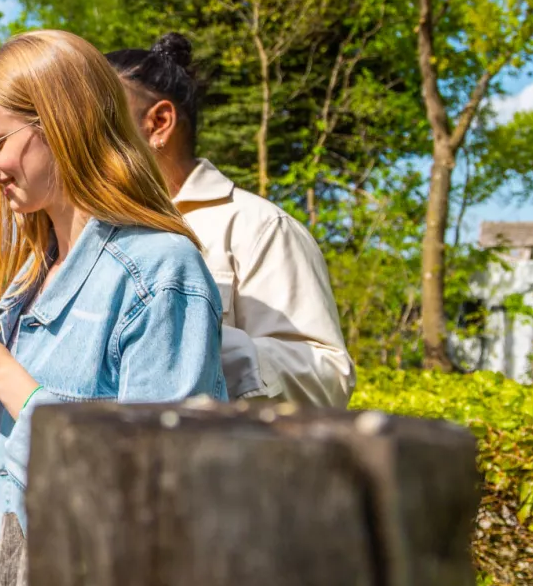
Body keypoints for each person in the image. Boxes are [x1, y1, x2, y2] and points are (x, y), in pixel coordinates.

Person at [0, 30, 227, 537]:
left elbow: (158, 479)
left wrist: (3, 373)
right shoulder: (33, 273)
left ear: (64, 124)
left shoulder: (160, 273)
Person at [106, 34, 355, 407]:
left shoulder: (260, 227)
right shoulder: (88, 230)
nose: (79, 136)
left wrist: (195, 341)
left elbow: (329, 380)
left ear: (159, 122)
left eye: (101, 118)